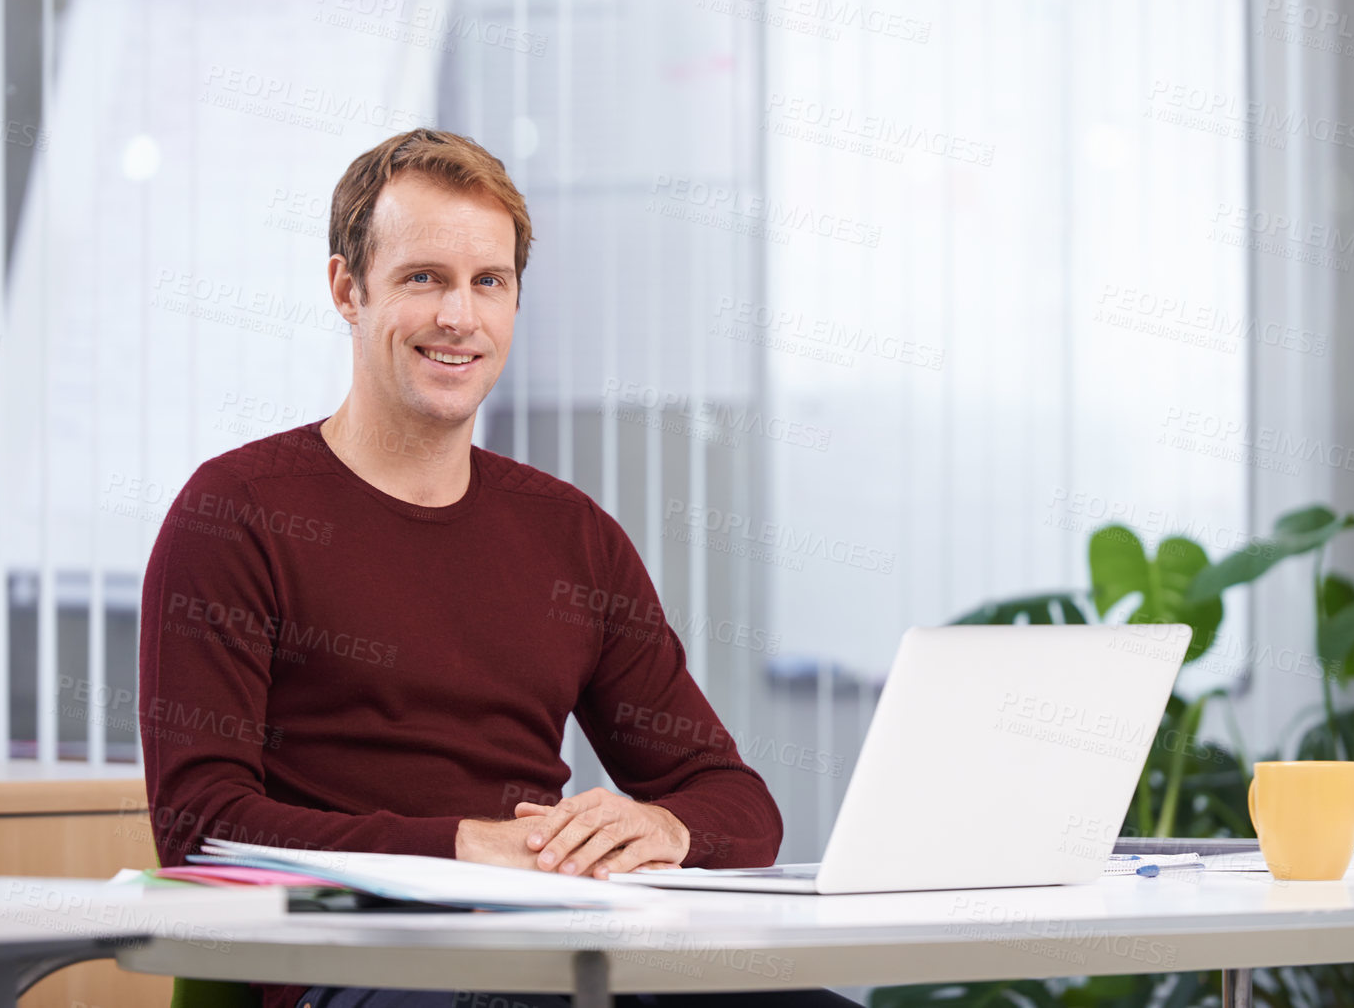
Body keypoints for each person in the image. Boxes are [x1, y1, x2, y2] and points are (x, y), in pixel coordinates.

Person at [141, 129, 837, 1008]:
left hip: (558, 946)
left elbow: (737, 803)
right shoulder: (235, 512)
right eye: (422, 277)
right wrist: (464, 844)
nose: (458, 317)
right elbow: (199, 828)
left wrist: (659, 824)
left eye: (489, 283)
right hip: (363, 967)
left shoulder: (570, 533)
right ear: (346, 290)